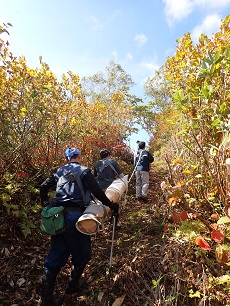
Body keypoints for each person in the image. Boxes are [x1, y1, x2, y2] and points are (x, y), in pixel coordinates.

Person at [39, 147, 119, 306]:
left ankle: (47, 298)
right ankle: (72, 285)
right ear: (79, 157)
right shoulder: (83, 171)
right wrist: (111, 205)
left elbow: (43, 187)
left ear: (67, 158)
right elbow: (97, 191)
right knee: (82, 253)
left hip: (58, 217)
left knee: (55, 255)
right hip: (76, 217)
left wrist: (45, 202)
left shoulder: (59, 171)